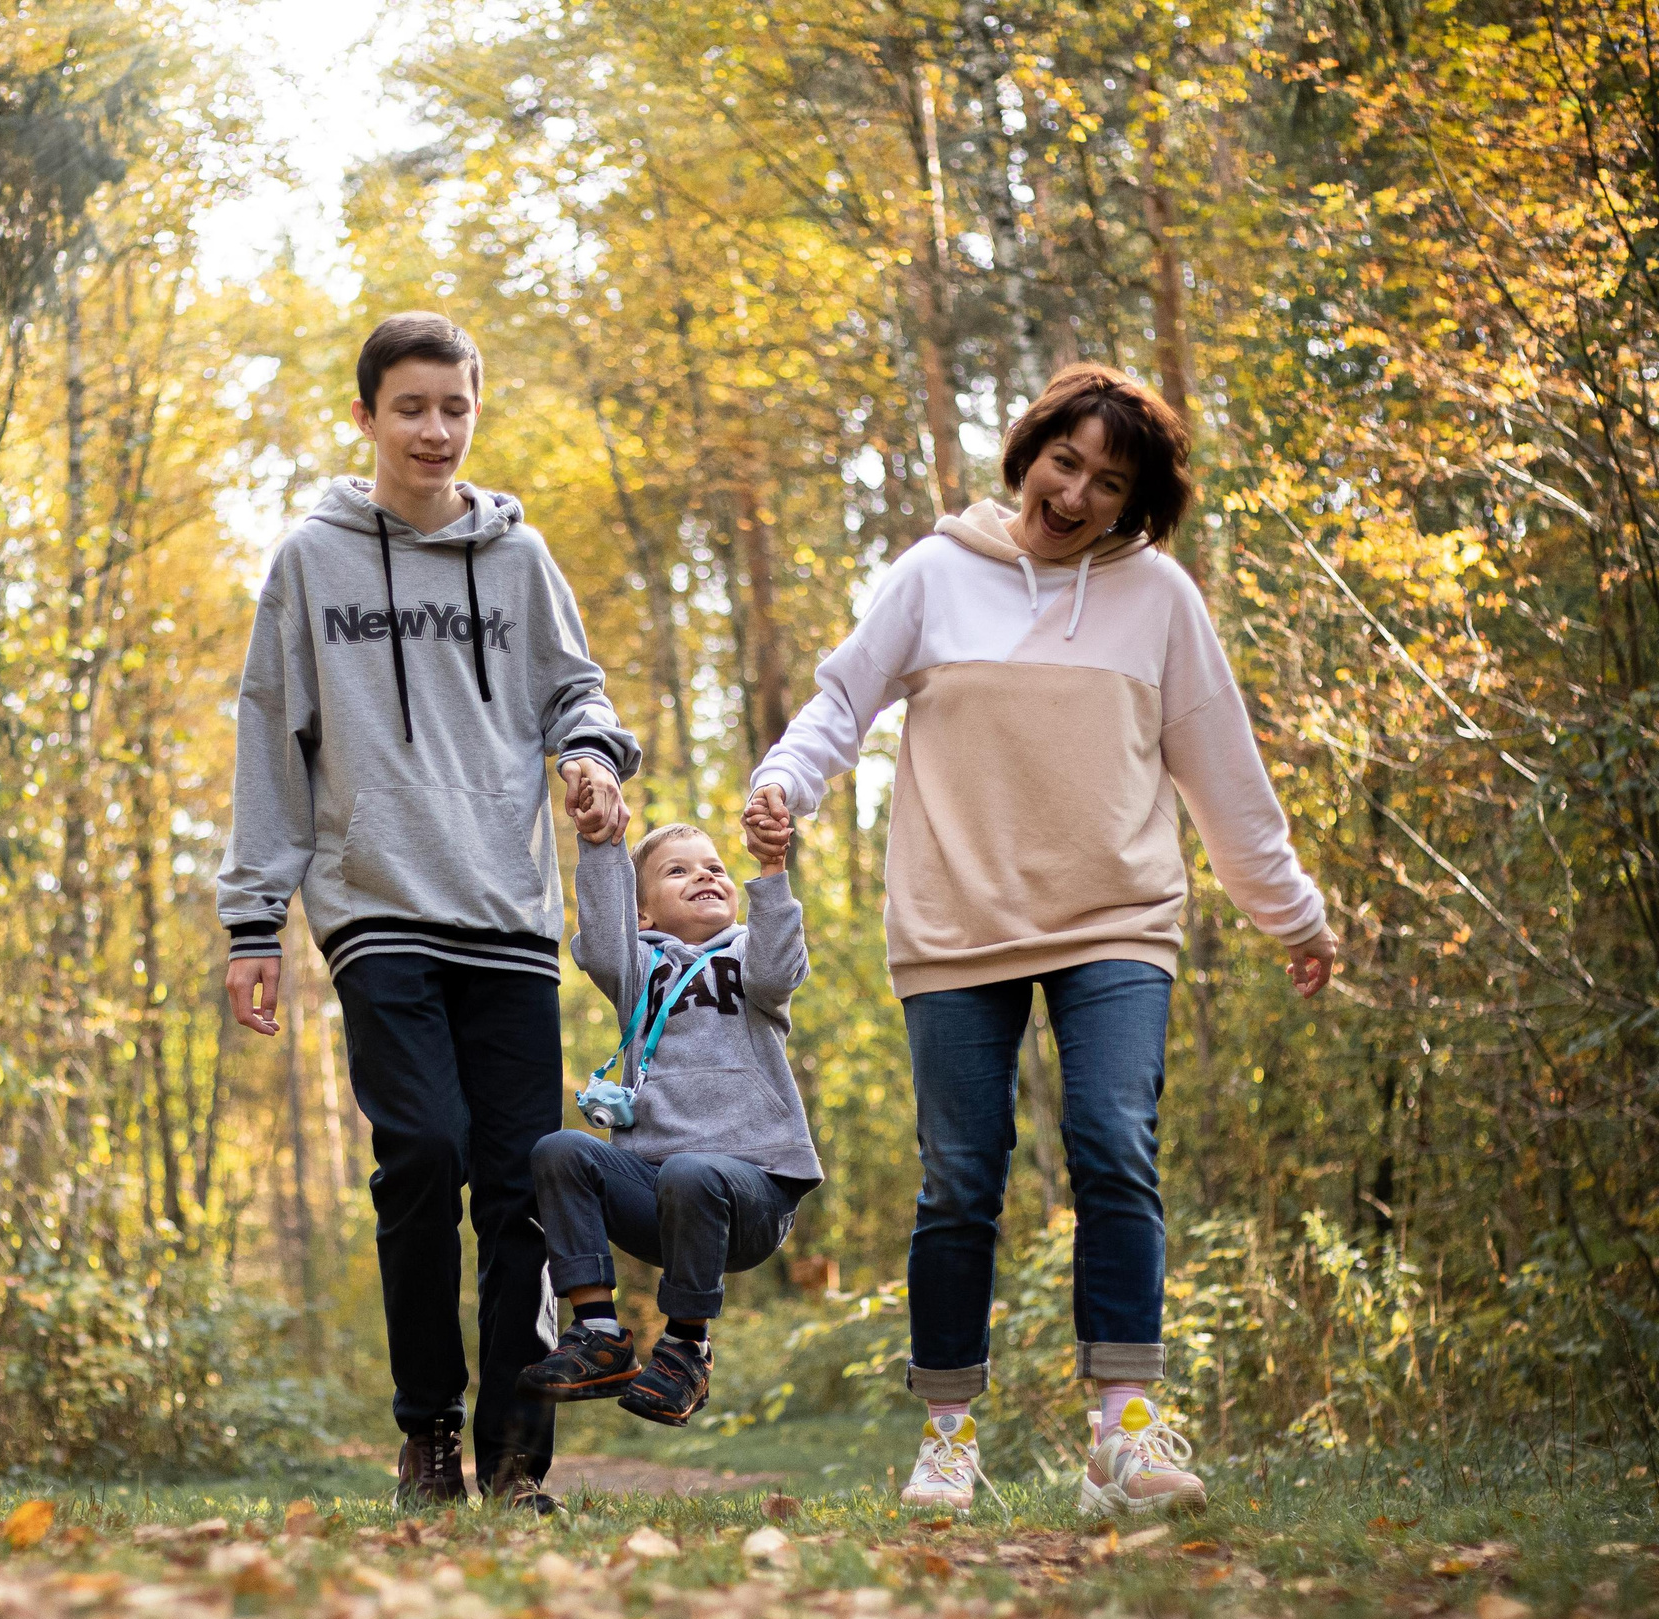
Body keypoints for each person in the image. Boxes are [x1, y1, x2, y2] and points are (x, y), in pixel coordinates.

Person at [742, 363, 1339, 1518]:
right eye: (1066, 462)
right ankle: (947, 1438)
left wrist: (1291, 913)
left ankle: (1122, 1433)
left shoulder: (1159, 599)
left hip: (1117, 915)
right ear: (1028, 452)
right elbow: (840, 703)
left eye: (1108, 483)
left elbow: (1222, 771)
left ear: (1134, 504)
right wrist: (785, 785)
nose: (1075, 494)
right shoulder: (934, 574)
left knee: (1114, 1142)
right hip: (955, 919)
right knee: (960, 1180)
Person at [217, 311, 640, 1515]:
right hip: (377, 901)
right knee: (424, 1157)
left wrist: (592, 756)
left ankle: (513, 1458)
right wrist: (254, 921)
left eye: (455, 407)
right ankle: (425, 1434)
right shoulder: (312, 558)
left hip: (505, 906)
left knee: (518, 1181)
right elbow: (269, 733)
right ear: (365, 419)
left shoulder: (519, 558)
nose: (436, 430)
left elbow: (578, 690)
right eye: (411, 407)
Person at [519, 816, 822, 1429]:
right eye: (677, 871)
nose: (705, 874)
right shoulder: (638, 971)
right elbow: (603, 938)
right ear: (645, 916)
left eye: (714, 866)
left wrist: (769, 871)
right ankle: (599, 1334)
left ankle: (687, 1348)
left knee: (691, 1171)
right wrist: (600, 839)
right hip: (659, 1201)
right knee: (560, 1151)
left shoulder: (747, 953)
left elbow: (776, 969)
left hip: (753, 1199)